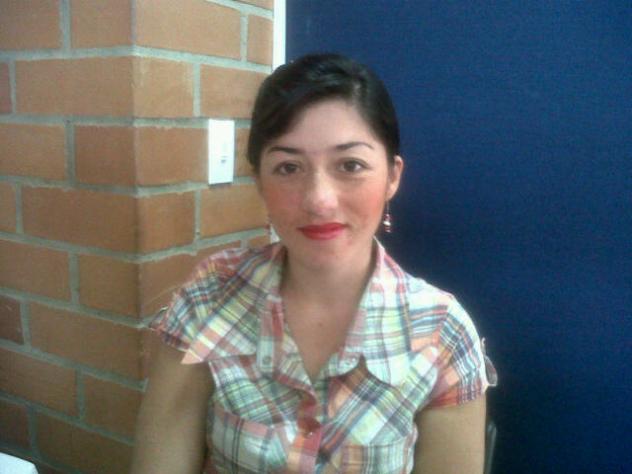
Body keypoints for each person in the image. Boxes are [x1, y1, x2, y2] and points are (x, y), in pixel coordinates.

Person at [131, 53, 496, 474]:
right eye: (288, 167)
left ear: (392, 177)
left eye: (350, 165)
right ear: (259, 181)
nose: (319, 200)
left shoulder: (442, 333)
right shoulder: (211, 294)